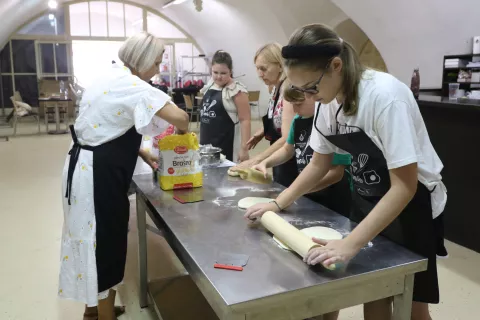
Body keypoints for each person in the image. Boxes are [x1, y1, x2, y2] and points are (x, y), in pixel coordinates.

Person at [245, 24, 447, 320]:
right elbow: (318, 164)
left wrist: (350, 245)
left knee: (413, 304)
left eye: (312, 88)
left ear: (336, 66)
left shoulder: (384, 97)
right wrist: (278, 204)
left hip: (412, 204)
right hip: (367, 197)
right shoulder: (328, 102)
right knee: (374, 291)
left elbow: (404, 186)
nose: (310, 99)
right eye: (302, 91)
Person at [58, 32, 189, 320]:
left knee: (89, 237)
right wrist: (182, 140)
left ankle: (93, 310)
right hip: (97, 177)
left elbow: (106, 124)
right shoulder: (134, 86)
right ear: (142, 61)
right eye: (156, 62)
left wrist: (142, 153)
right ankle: (102, 316)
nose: (158, 69)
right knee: (105, 243)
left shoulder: (109, 77)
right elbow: (181, 118)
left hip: (82, 167)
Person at [253, 83, 352, 217]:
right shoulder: (298, 120)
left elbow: (335, 173)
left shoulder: (331, 123)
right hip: (308, 193)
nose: (294, 109)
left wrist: (297, 190)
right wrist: (265, 163)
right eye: (291, 104)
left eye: (298, 104)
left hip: (333, 198)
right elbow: (288, 150)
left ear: (313, 96)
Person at [233, 43, 298, 187]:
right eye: (257, 68)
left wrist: (256, 160)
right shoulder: (275, 87)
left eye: (264, 68)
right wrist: (263, 131)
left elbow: (287, 138)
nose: (259, 74)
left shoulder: (288, 90)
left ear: (280, 66)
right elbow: (279, 116)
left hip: (291, 160)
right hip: (279, 157)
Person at [199, 50, 251, 162]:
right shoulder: (209, 86)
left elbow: (245, 120)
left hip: (228, 147)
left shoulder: (237, 91)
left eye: (223, 73)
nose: (218, 77)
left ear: (230, 71)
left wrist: (244, 149)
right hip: (205, 146)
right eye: (215, 72)